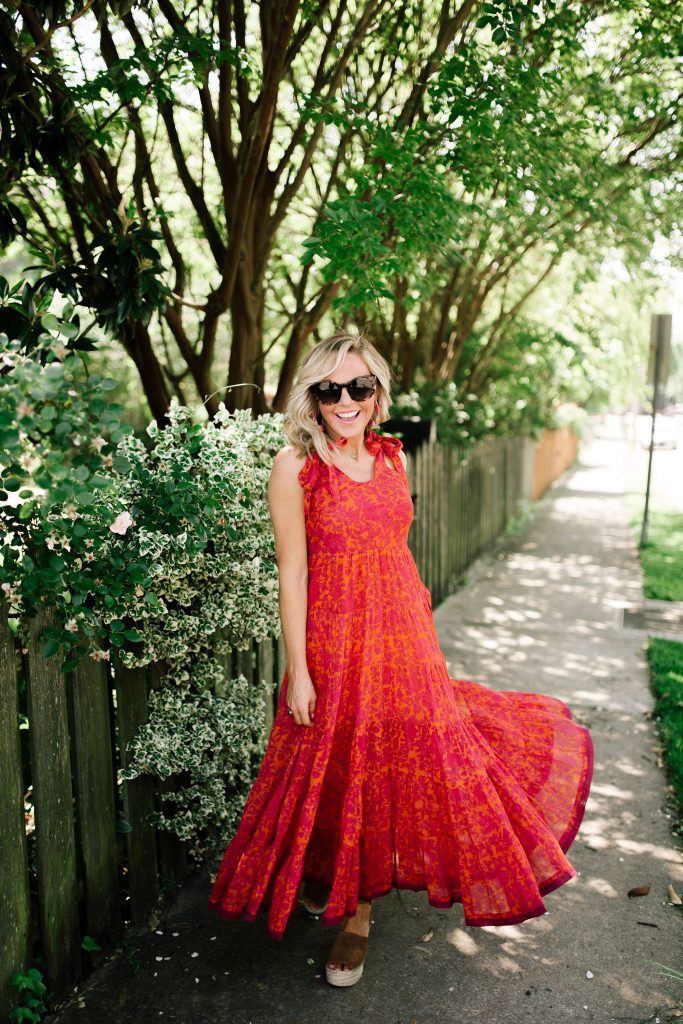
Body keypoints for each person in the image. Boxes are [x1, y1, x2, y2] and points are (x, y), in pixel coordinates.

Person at [208, 332, 594, 988]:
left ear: (378, 393)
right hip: (332, 643)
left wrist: (421, 641)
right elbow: (292, 572)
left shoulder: (391, 461)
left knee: (388, 764)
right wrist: (297, 669)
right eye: (330, 389)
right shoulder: (293, 467)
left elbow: (397, 554)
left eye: (359, 386)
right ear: (313, 397)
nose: (345, 400)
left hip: (400, 638)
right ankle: (326, 874)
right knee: (328, 766)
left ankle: (357, 914)